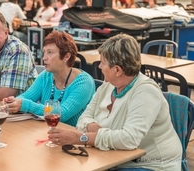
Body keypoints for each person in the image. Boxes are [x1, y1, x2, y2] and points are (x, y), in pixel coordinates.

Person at [47, 33, 182, 170]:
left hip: (151, 165)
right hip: (113, 156)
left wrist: (81, 138)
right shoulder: (108, 85)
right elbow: (83, 119)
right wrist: (99, 131)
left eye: (103, 63)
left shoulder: (146, 92)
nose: (99, 66)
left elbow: (128, 139)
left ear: (117, 70)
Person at [4, 31, 95, 127]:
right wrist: (12, 102)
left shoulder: (84, 83)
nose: (44, 57)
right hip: (47, 131)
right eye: (44, 52)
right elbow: (26, 96)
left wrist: (26, 105)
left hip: (73, 137)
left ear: (66, 56)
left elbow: (62, 114)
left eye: (50, 52)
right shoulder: (46, 75)